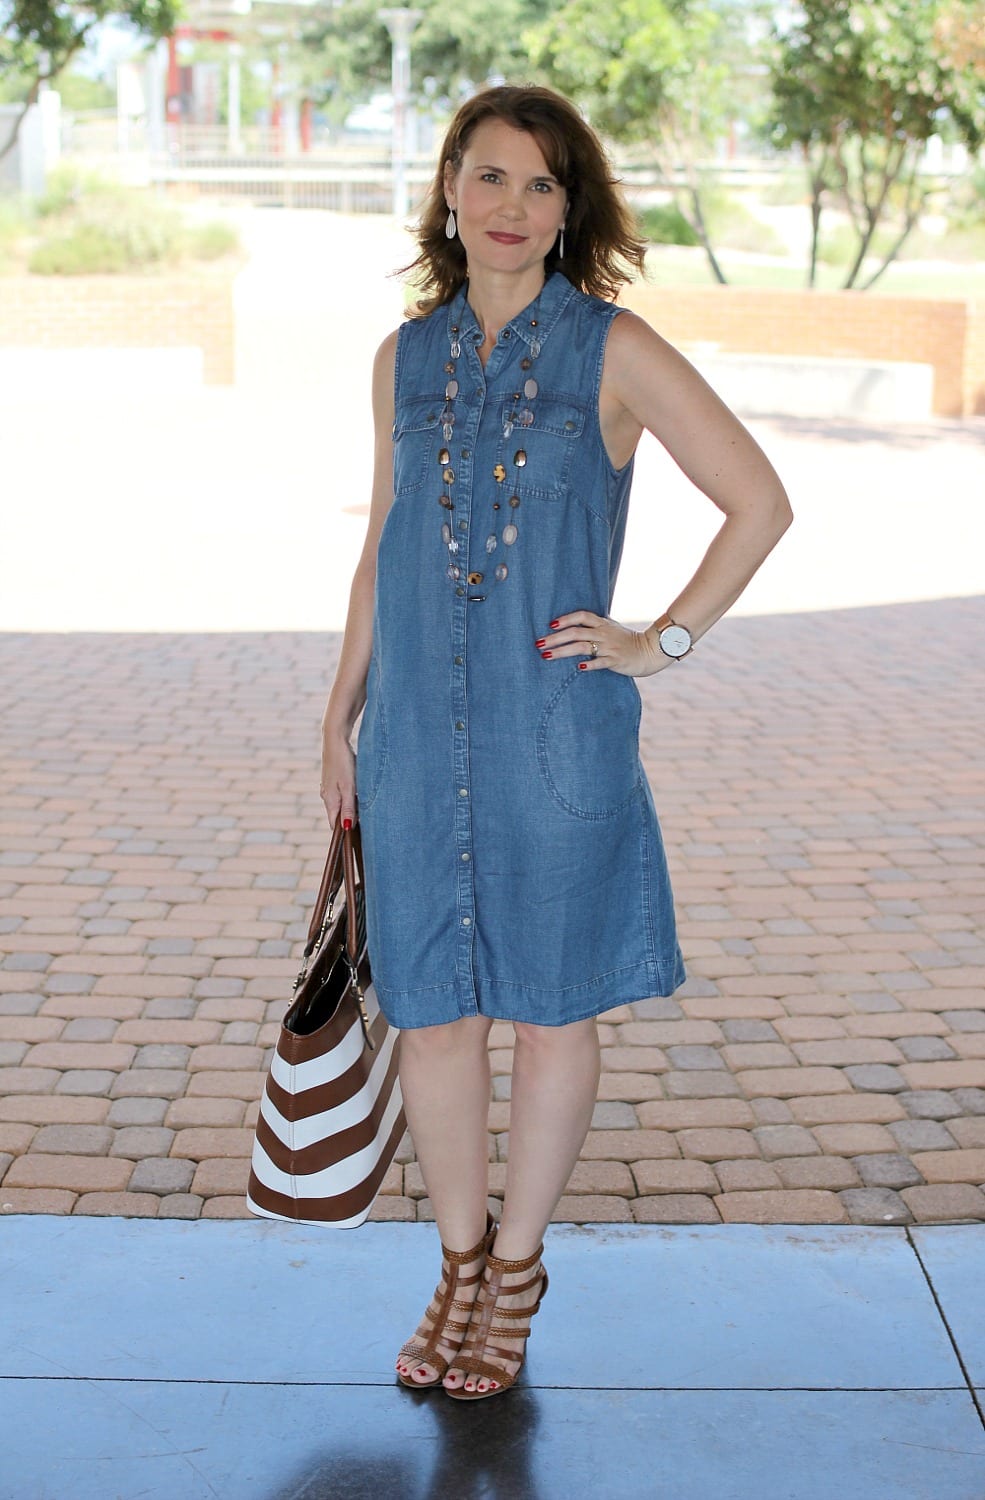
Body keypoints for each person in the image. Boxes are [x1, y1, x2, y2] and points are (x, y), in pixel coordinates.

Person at [319, 83, 793, 1401]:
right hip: (411, 734)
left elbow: (758, 502)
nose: (510, 207)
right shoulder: (401, 357)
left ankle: (515, 1275)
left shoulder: (616, 350)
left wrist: (662, 638)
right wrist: (337, 711)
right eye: (486, 177)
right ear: (447, 192)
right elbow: (382, 544)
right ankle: (456, 1263)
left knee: (547, 1012)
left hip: (553, 739)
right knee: (431, 1013)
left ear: (568, 205)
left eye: (538, 184)